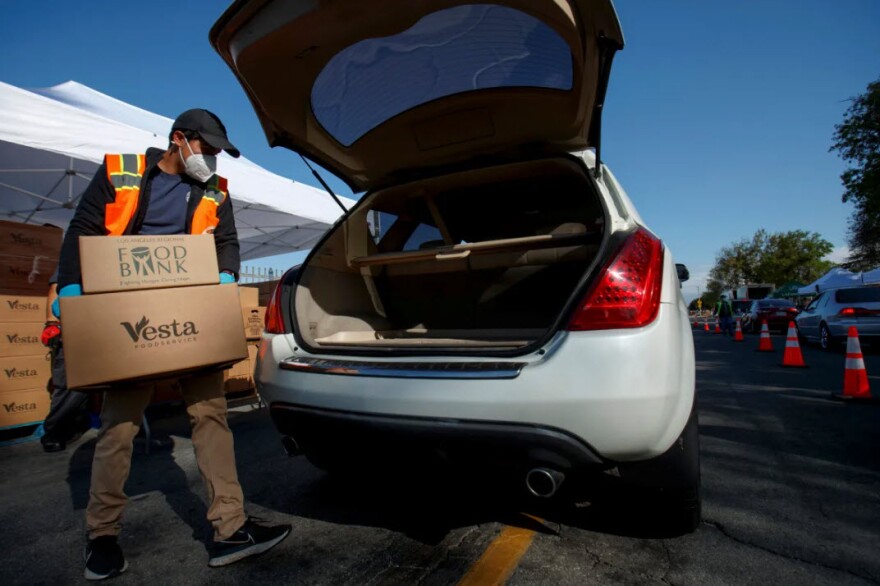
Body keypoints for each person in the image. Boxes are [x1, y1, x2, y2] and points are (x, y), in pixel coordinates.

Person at [53, 109, 290, 580]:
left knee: (210, 415)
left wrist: (226, 274)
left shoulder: (215, 191)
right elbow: (82, 228)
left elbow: (227, 241)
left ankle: (230, 528)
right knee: (119, 427)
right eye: (207, 148)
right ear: (178, 140)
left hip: (188, 313)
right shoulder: (120, 172)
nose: (214, 159)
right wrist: (71, 287)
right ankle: (102, 537)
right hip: (127, 313)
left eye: (219, 151)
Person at [39, 277, 92, 453]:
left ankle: (128, 427)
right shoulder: (74, 252)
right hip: (72, 322)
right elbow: (56, 285)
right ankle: (55, 431)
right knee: (70, 381)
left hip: (104, 319)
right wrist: (51, 323)